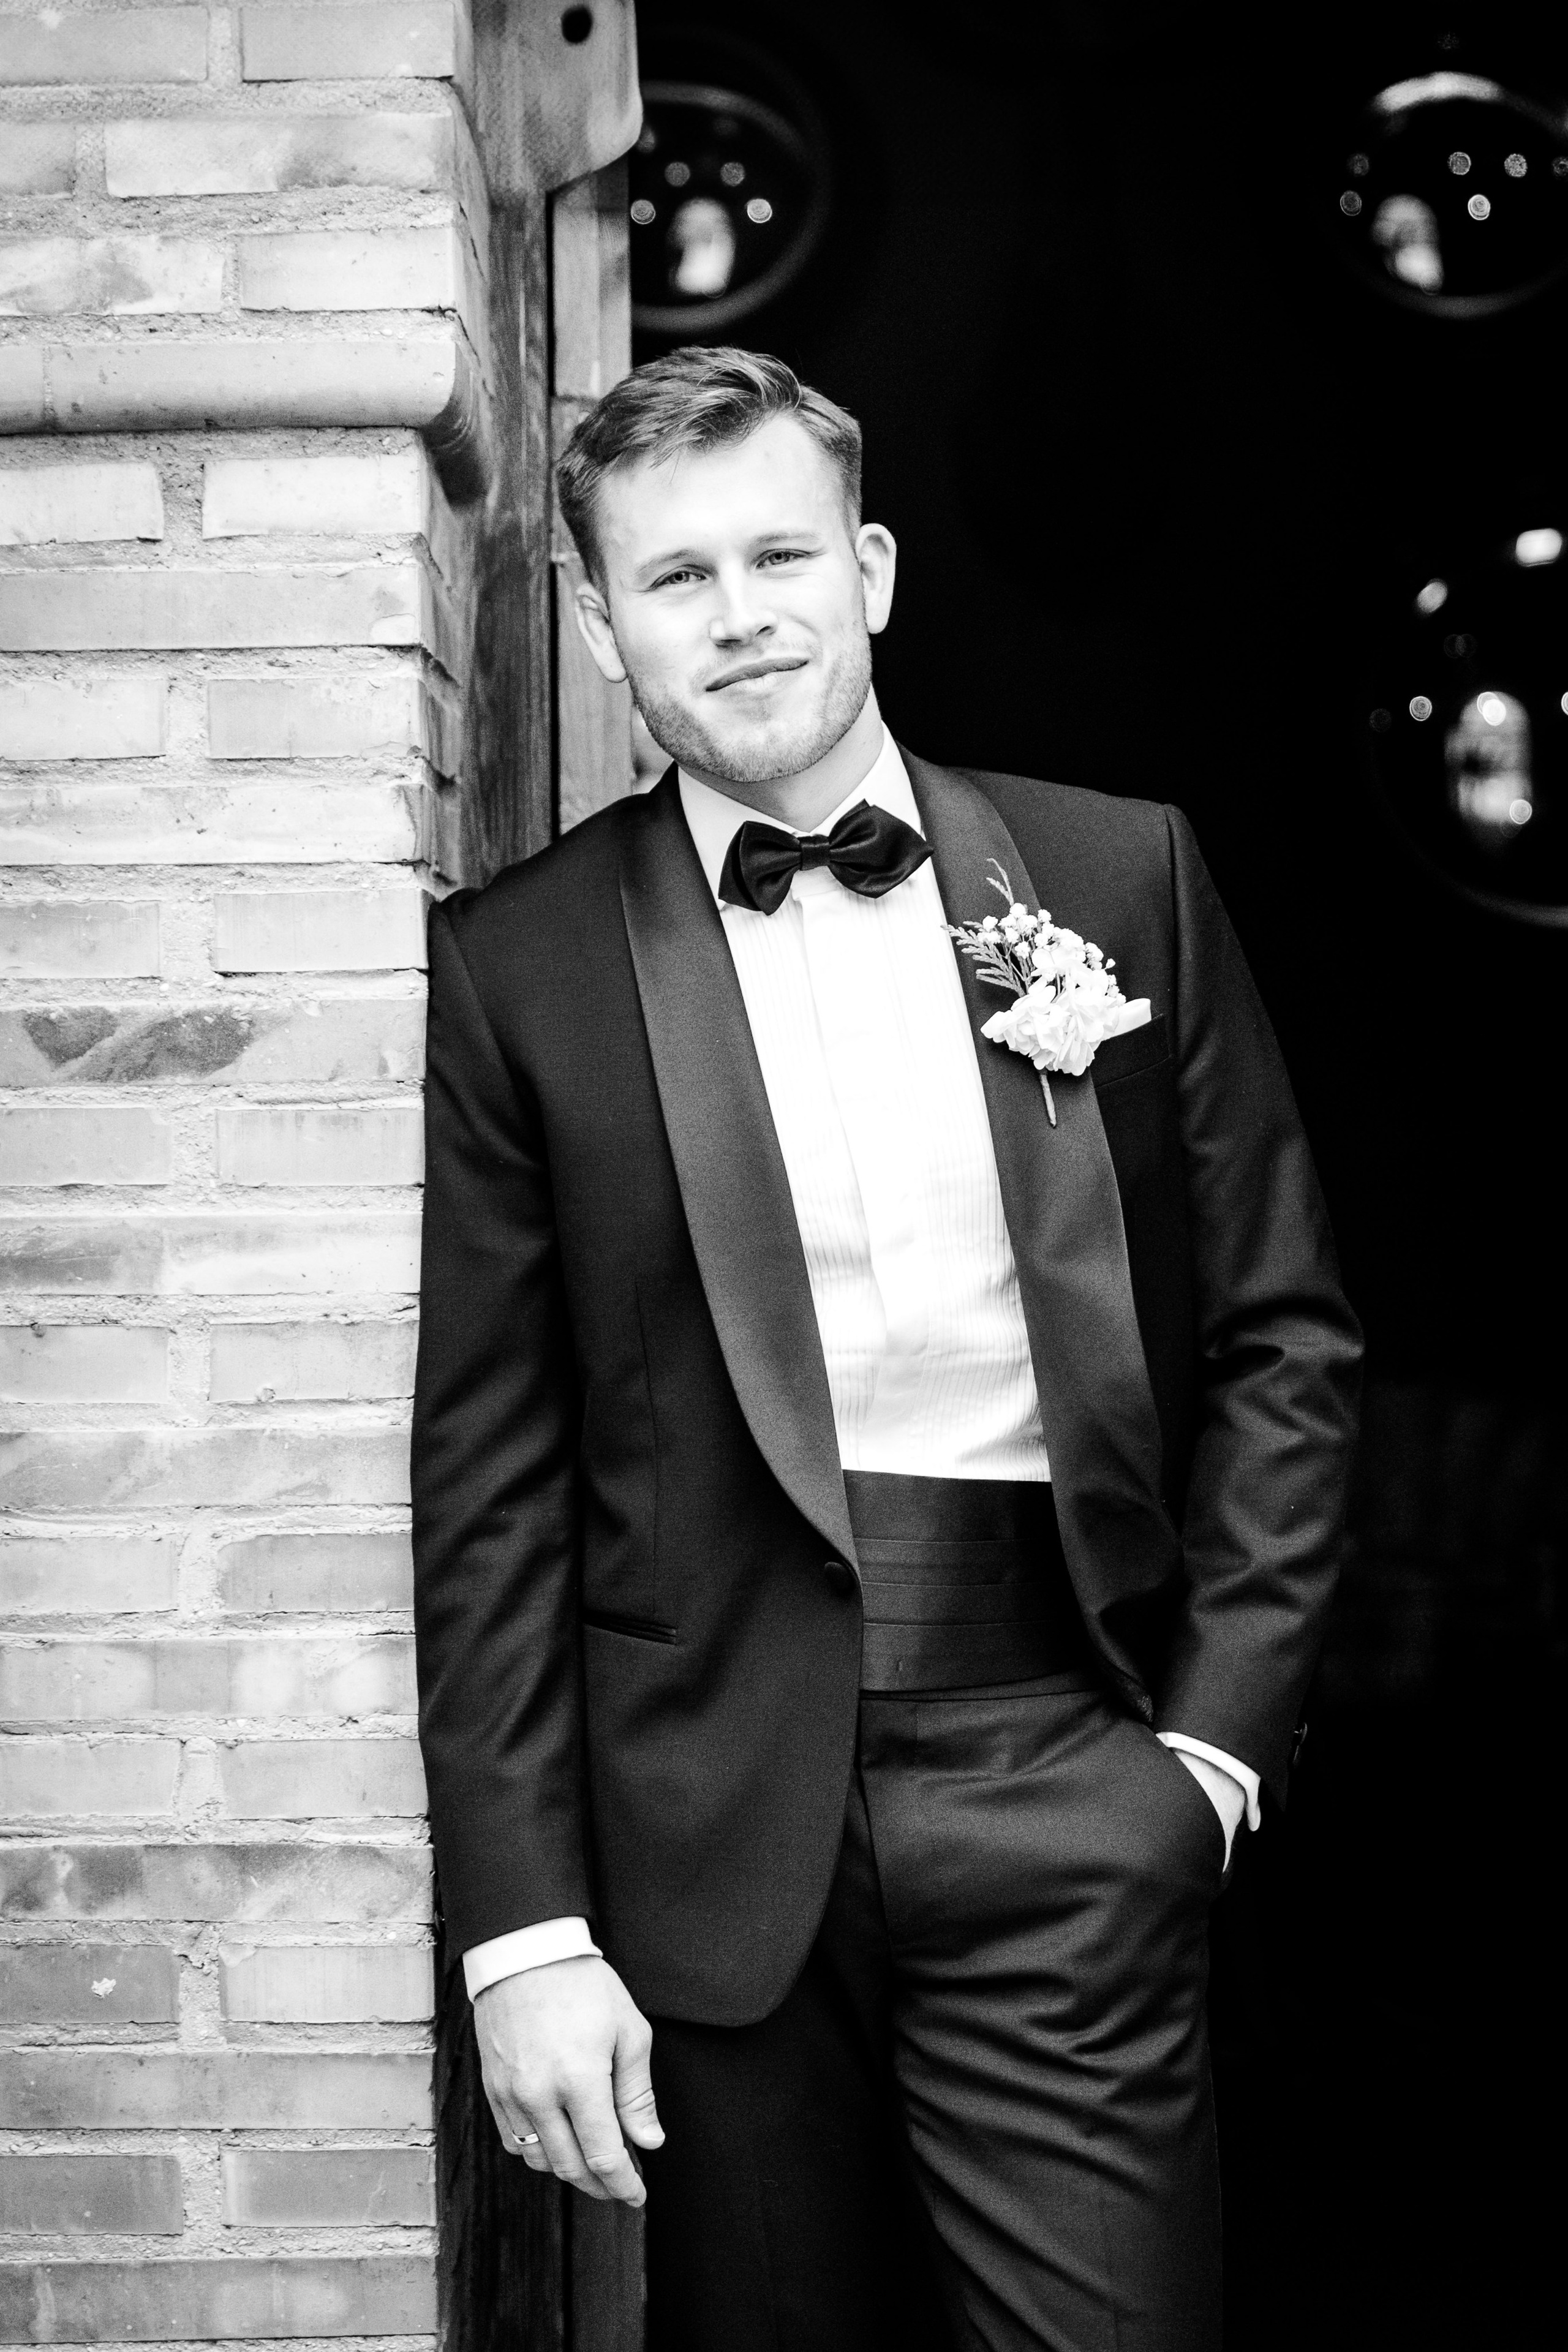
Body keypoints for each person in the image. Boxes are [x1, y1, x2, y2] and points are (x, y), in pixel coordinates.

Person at [412, 346, 1362, 2351]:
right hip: (709, 1837)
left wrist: (1206, 1753)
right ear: (598, 623)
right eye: (675, 578)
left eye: (781, 555)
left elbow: (1285, 1335)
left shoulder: (1117, 880)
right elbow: (487, 1483)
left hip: (1070, 1765)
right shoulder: (519, 971)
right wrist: (522, 1929)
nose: (740, 613)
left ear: (875, 569)